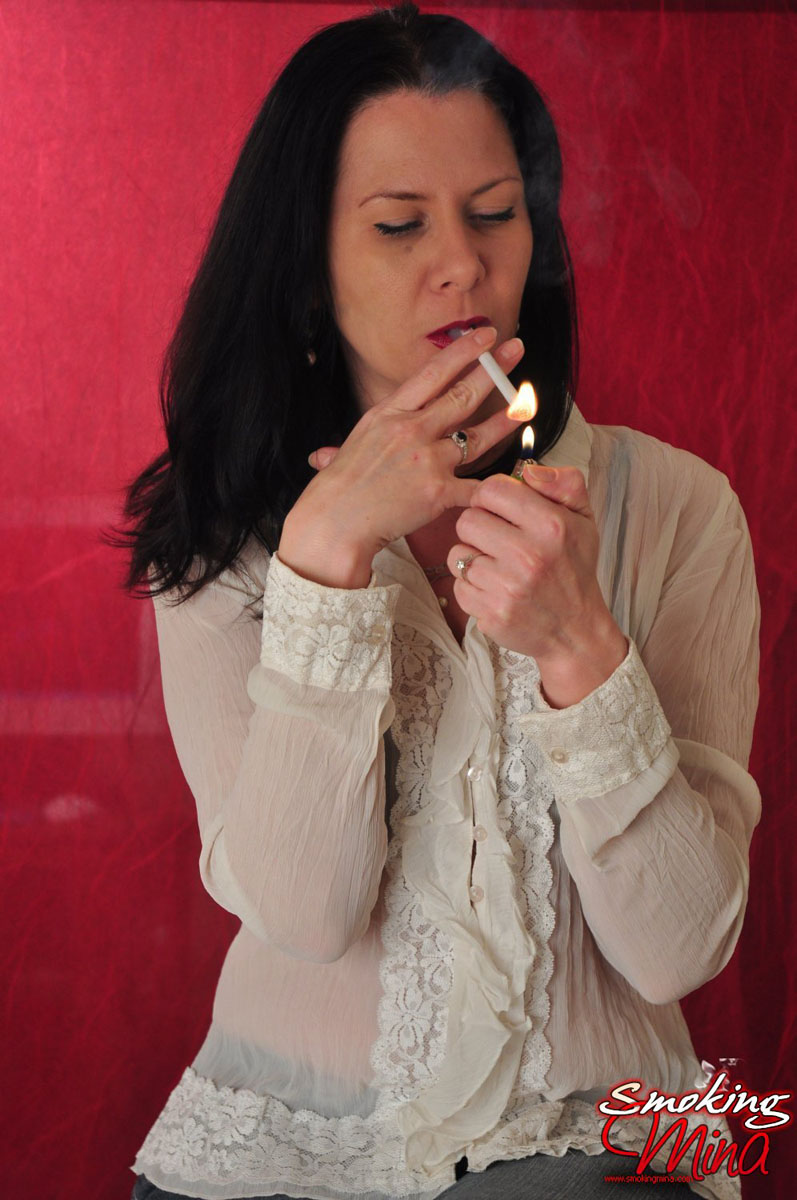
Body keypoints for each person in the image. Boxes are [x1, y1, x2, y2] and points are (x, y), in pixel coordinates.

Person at [121, 4, 761, 1199]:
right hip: (286, 1143)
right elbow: (307, 915)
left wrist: (578, 648)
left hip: (594, 1140)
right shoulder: (222, 536)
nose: (460, 262)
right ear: (304, 268)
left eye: (494, 213)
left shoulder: (678, 509)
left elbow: (677, 950)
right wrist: (322, 566)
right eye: (398, 224)